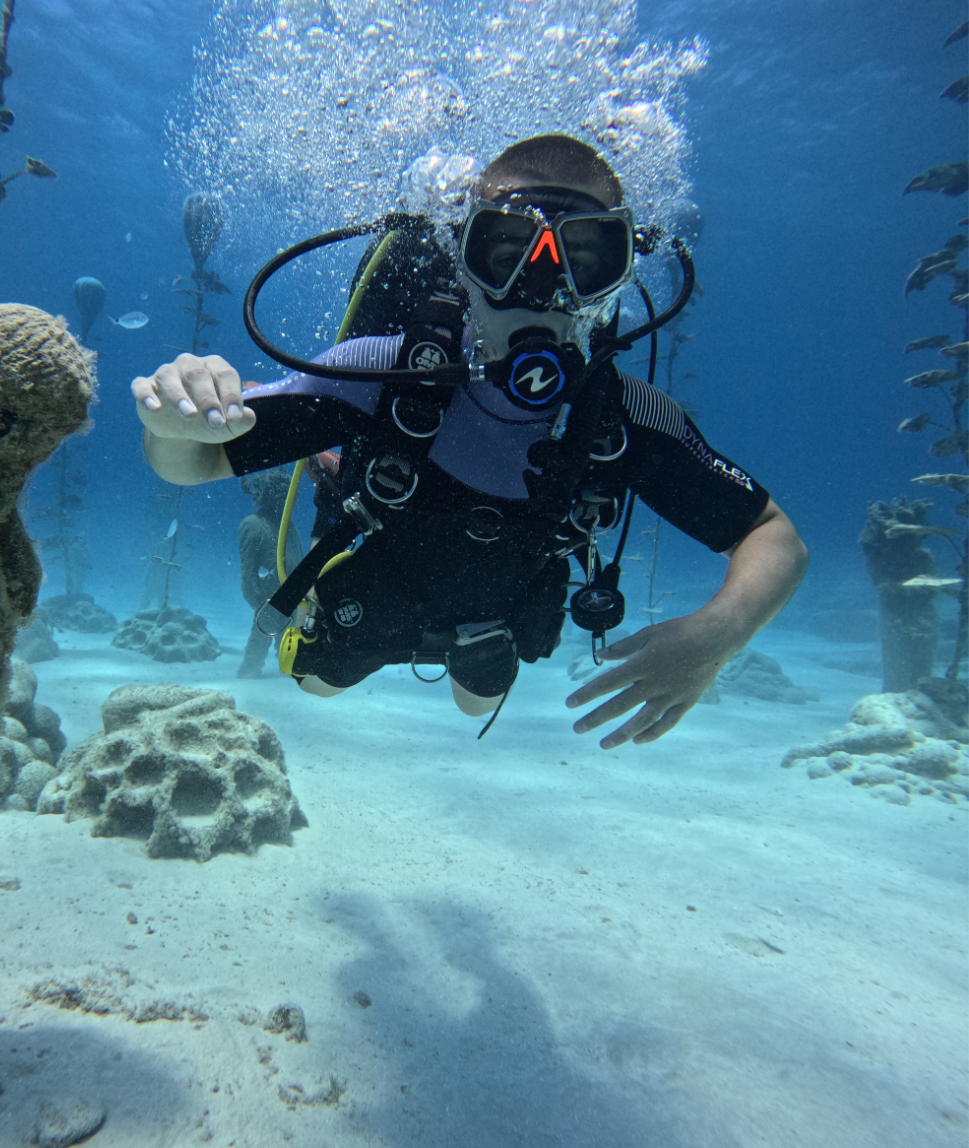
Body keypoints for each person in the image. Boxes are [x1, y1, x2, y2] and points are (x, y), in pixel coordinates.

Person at [132, 134, 807, 748]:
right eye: (506, 254)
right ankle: (330, 479)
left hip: (500, 607)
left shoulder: (623, 414)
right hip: (381, 560)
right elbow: (187, 462)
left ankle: (462, 633)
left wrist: (717, 635)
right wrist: (171, 421)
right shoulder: (381, 369)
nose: (542, 292)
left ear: (619, 278)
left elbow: (773, 535)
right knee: (316, 680)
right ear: (462, 257)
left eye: (586, 261)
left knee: (475, 695)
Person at [235, 467, 303, 677]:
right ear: (272, 493)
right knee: (256, 651)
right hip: (269, 601)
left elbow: (298, 559)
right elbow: (248, 573)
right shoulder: (252, 526)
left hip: (293, 599)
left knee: (289, 653)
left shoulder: (288, 525)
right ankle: (248, 675)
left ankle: (282, 674)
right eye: (284, 493)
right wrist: (259, 604)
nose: (288, 499)